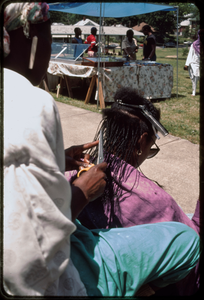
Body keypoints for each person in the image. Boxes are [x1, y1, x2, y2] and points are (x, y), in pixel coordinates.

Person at [3, 3, 200, 297]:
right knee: (186, 241)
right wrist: (81, 194)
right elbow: (28, 251)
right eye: (49, 37)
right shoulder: (29, 102)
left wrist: (57, 162)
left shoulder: (68, 172)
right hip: (56, 278)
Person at [65, 86, 200, 296]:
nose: (148, 152)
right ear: (140, 142)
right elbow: (190, 247)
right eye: (151, 147)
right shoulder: (156, 201)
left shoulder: (70, 178)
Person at [184, 29, 203, 96]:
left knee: (197, 76)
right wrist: (186, 64)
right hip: (194, 63)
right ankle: (194, 92)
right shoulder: (194, 44)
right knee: (194, 77)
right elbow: (190, 54)